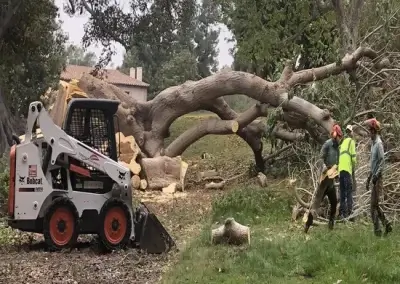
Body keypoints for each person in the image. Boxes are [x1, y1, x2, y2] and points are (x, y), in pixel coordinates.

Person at [304, 124, 340, 233]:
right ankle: (307, 224)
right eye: (338, 136)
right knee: (315, 206)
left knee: (334, 202)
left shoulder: (338, 147)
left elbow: (337, 161)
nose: (339, 139)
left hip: (331, 180)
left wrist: (337, 171)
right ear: (334, 136)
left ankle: (331, 225)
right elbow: (320, 158)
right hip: (324, 180)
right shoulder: (327, 145)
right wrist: (324, 167)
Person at [366, 118, 392, 236]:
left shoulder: (379, 144)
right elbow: (374, 163)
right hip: (374, 177)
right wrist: (369, 177)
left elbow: (382, 162)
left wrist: (376, 176)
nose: (369, 133)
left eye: (370, 131)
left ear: (374, 131)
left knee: (373, 206)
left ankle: (378, 230)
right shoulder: (373, 144)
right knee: (375, 205)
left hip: (379, 178)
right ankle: (387, 225)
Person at [338, 125, 357, 220]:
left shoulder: (343, 143)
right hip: (347, 169)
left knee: (342, 192)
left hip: (340, 170)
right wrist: (354, 167)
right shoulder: (351, 142)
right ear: (352, 132)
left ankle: (342, 213)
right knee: (349, 192)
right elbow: (353, 158)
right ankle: (350, 214)